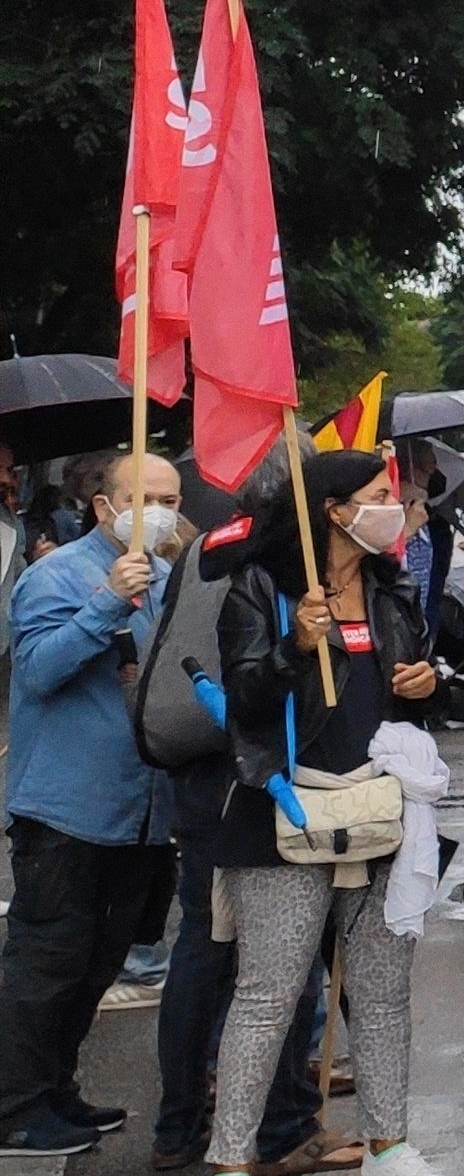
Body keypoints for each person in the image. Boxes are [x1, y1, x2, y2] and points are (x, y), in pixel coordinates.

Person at [205, 452, 441, 1176]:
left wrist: (427, 684)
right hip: (283, 806)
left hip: (379, 810)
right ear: (335, 510)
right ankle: (228, 1158)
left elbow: (422, 690)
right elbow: (244, 698)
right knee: (267, 995)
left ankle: (390, 1144)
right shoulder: (262, 589)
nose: (392, 508)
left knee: (382, 994)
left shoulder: (393, 590)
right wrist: (293, 647)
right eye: (378, 495)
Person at [0, 452, 185, 1155]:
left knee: (98, 961)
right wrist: (107, 599)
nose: (162, 509)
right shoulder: (58, 575)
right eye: (146, 496)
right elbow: (40, 670)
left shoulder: (166, 579)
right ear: (105, 506)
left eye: (170, 496)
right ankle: (13, 1103)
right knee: (46, 962)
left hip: (138, 808)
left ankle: (54, 1088)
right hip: (66, 809)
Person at [155, 496, 341, 1174]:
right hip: (242, 778)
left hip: (204, 773)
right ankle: (278, 1126)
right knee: (270, 968)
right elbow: (261, 686)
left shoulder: (208, 549)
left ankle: (181, 1124)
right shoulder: (259, 569)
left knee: (206, 953)